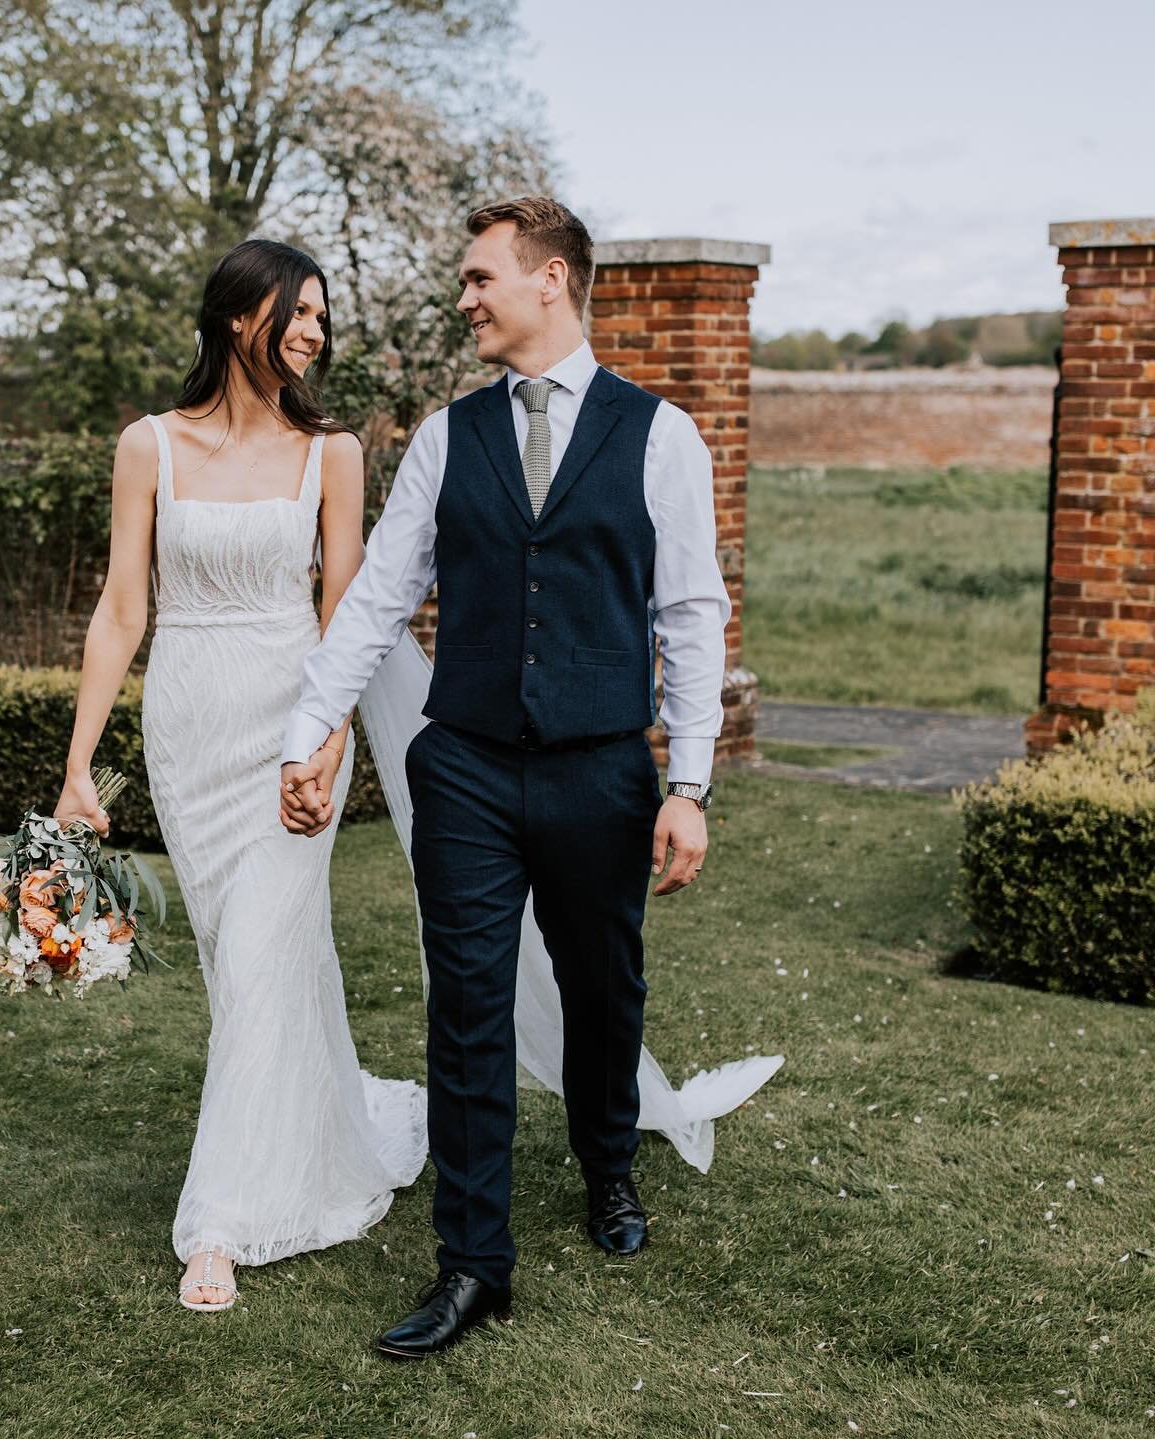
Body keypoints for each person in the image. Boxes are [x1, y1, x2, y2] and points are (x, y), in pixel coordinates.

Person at [280, 196, 783, 1359]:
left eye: (479, 278)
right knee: (465, 1008)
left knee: (604, 991)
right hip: (461, 766)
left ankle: (608, 1163)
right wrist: (312, 726)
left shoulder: (660, 436)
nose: (464, 299)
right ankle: (473, 1262)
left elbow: (694, 616)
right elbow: (376, 600)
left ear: (549, 279)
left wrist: (689, 784)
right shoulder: (449, 440)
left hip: (602, 773)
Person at [54, 238, 426, 1314]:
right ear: (235, 318)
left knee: (267, 948)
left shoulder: (334, 452)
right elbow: (124, 609)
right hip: (187, 731)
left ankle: (218, 1219)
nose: (312, 329)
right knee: (246, 962)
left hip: (290, 724)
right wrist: (81, 763)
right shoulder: (148, 446)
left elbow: (343, 621)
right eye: (296, 310)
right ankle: (321, 1134)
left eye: (321, 315)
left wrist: (327, 741)